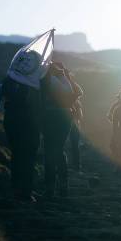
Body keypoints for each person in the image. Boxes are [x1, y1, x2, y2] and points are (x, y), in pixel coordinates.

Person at [0, 76, 40, 202]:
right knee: (29, 156)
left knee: (16, 153)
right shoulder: (36, 77)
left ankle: (15, 188)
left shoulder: (10, 78)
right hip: (29, 120)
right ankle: (26, 192)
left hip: (10, 118)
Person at [41, 62, 81, 197]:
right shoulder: (66, 80)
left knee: (49, 150)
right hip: (65, 117)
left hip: (49, 116)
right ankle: (63, 185)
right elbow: (79, 92)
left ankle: (49, 188)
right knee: (59, 149)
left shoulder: (45, 78)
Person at [68, 74, 84, 171]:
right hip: (74, 120)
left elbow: (80, 92)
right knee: (74, 144)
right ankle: (76, 165)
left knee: (73, 144)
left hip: (71, 120)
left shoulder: (59, 85)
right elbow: (80, 92)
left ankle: (75, 164)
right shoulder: (76, 98)